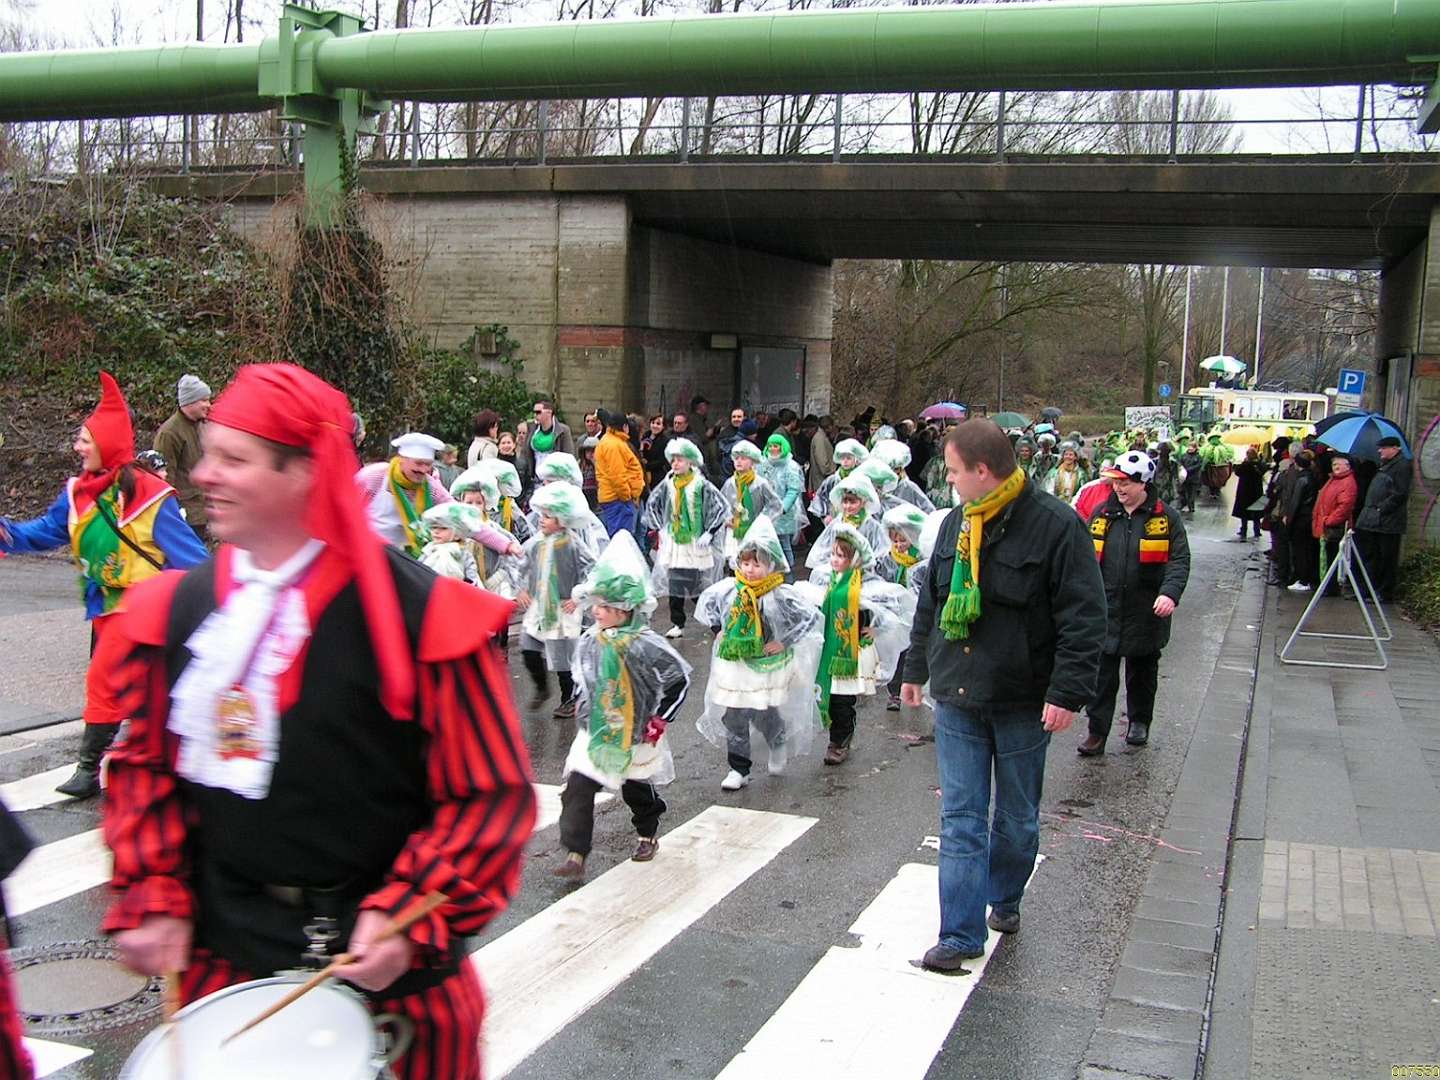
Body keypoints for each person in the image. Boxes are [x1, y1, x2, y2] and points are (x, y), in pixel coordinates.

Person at [98, 363, 536, 1080]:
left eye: (233, 459)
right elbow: (144, 767)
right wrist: (152, 888)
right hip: (227, 971)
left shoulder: (421, 617)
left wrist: (409, 912)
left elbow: (490, 796)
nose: (203, 473)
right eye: (209, 453)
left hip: (395, 991)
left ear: (304, 471)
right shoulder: (180, 609)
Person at [900, 420, 1105, 971]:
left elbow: (1085, 617)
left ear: (982, 471)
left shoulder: (1056, 526)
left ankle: (1006, 894)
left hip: (1023, 700)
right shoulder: (955, 524)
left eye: (953, 471)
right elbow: (931, 602)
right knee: (961, 818)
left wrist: (1067, 693)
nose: (948, 480)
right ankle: (960, 933)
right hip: (959, 696)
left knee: (1016, 820)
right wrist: (915, 668)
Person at [0, 373, 208, 799]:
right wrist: (8, 534)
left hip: (146, 609)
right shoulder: (78, 492)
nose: (77, 447)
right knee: (132, 685)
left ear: (107, 445)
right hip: (105, 606)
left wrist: (183, 603)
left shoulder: (151, 497)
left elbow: (195, 562)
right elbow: (46, 532)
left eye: (84, 440)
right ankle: (145, 759)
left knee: (107, 679)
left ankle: (91, 768)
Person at [555, 532, 692, 881]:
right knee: (578, 786)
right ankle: (575, 852)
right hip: (597, 727)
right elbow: (583, 676)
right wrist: (583, 703)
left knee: (635, 786)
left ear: (625, 609)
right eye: (596, 605)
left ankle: (647, 831)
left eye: (604, 607)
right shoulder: (591, 639)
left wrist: (660, 719)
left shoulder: (646, 644)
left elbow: (678, 680)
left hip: (635, 729)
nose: (596, 612)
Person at [696, 516, 823, 791]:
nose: (750, 570)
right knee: (734, 714)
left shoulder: (779, 595)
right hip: (735, 662)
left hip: (766, 663)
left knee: (762, 710)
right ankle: (738, 768)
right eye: (746, 563)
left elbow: (809, 618)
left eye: (757, 564)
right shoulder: (732, 590)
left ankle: (777, 741)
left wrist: (784, 641)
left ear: (771, 565)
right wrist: (719, 630)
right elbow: (710, 607)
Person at [1077, 450, 1191, 756]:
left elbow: (1179, 560)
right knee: (1101, 675)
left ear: (1143, 484)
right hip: (1106, 608)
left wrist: (1169, 593)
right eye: (1116, 483)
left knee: (1142, 672)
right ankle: (1096, 731)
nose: (1119, 488)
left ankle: (1139, 722)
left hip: (1146, 610)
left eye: (1125, 483)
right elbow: (1084, 559)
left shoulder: (1166, 518)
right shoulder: (1102, 514)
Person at [792, 524, 911, 766]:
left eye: (840, 556)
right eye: (833, 554)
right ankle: (838, 736)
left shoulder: (863, 586)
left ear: (854, 559)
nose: (834, 560)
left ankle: (840, 741)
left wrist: (875, 629)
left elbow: (890, 611)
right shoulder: (829, 581)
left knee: (842, 700)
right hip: (829, 649)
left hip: (850, 653)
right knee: (829, 694)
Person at [517, 482, 598, 719]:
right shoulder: (536, 542)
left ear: (562, 520)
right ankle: (541, 687)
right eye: (541, 515)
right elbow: (521, 565)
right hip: (540, 605)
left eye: (548, 516)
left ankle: (569, 698)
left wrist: (578, 597)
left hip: (564, 607)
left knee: (563, 657)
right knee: (529, 646)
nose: (541, 520)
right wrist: (521, 589)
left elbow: (591, 569)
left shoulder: (573, 543)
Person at [646, 439, 729, 638]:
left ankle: (715, 623)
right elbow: (653, 504)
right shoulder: (669, 483)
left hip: (694, 542)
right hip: (675, 541)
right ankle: (678, 623)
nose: (675, 464)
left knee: (696, 585)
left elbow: (720, 507)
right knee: (675, 584)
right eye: (673, 459)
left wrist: (710, 531)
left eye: (680, 460)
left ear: (690, 461)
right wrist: (661, 528)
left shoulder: (701, 484)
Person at [355, 433, 452, 558]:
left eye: (428, 464)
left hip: (405, 557)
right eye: (418, 463)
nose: (423, 470)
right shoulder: (375, 476)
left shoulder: (430, 486)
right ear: (402, 459)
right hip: (368, 552)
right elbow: (347, 507)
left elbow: (453, 510)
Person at [876, 503, 929, 711]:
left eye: (903, 540)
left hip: (915, 616)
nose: (898, 545)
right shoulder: (888, 559)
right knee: (896, 653)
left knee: (912, 652)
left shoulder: (922, 561)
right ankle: (894, 693)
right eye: (894, 541)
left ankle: (915, 686)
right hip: (895, 615)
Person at [152, 373, 211, 541]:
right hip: (184, 516)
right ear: (190, 402)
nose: (208, 405)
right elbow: (163, 477)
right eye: (204, 400)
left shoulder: (202, 426)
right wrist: (170, 513)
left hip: (200, 511)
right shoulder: (169, 433)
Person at [1354, 436, 1412, 601]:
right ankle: (1371, 589)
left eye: (1383, 448)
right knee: (1374, 556)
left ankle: (1384, 592)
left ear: (1395, 448)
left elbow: (1400, 493)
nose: (1380, 450)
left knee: (1386, 558)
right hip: (1377, 521)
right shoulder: (1385, 465)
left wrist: (1381, 509)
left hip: (1388, 522)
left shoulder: (1401, 466)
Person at [721, 440, 782, 568]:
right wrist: (727, 519)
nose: (738, 461)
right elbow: (721, 505)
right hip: (735, 531)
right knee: (736, 564)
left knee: (754, 563)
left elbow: (776, 505)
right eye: (736, 458)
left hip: (756, 533)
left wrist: (762, 522)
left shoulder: (760, 483)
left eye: (743, 458)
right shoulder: (730, 483)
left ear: (752, 462)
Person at [593, 409, 646, 538]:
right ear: (625, 427)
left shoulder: (612, 441)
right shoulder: (614, 445)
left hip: (617, 498)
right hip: (618, 500)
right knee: (621, 540)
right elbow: (617, 476)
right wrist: (628, 496)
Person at [759, 432, 807, 570]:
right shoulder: (763, 464)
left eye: (776, 446)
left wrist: (783, 508)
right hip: (765, 510)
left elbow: (793, 489)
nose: (773, 449)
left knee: (784, 543)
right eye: (770, 446)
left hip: (784, 513)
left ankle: (788, 572)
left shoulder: (791, 466)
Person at [1312, 453, 1358, 596]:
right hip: (1326, 524)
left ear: (1347, 466)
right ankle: (1326, 585)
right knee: (1326, 556)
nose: (1335, 466)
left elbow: (1344, 506)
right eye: (1334, 464)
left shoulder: (1347, 482)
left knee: (1332, 557)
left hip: (1335, 527)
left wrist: (1328, 521)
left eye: (1339, 464)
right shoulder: (1334, 479)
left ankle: (1330, 588)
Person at [418, 502, 485, 584]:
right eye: (433, 527)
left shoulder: (462, 553)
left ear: (457, 534)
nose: (436, 531)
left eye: (443, 528)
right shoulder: (428, 551)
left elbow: (472, 579)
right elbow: (418, 570)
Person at [1283, 450, 1320, 592]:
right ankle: (1307, 578)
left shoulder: (1302, 480)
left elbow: (1295, 502)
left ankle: (1303, 579)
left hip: (1301, 518)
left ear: (1297, 464)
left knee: (1300, 550)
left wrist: (1289, 519)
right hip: (1309, 517)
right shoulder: (1313, 476)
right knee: (1308, 549)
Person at [808, 437, 867, 522]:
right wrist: (825, 516)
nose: (845, 461)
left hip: (858, 520)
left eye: (849, 458)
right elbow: (821, 497)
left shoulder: (862, 479)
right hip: (836, 520)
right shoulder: (833, 480)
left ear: (856, 459)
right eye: (843, 458)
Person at [1262, 437, 1296, 586]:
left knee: (1282, 544)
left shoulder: (1286, 473)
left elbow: (1278, 493)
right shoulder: (1291, 471)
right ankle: (1282, 570)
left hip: (1282, 511)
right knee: (1282, 543)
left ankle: (1283, 574)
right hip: (1282, 511)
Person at [871, 438, 937, 512]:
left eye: (894, 469)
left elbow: (930, 512)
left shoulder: (909, 488)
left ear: (899, 469)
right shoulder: (873, 488)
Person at [529, 398, 575, 479]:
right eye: (534, 412)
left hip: (555, 478)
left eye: (538, 412)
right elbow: (525, 453)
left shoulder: (563, 430)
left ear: (549, 412)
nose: (535, 415)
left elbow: (569, 456)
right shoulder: (532, 429)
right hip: (534, 478)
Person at [1231, 447, 1267, 540]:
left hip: (1244, 492)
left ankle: (1243, 532)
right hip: (1256, 492)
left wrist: (1244, 462)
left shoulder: (1245, 465)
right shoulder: (1260, 464)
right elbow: (1263, 471)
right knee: (1256, 513)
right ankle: (1257, 532)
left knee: (1244, 514)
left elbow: (1237, 472)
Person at [641, 413, 670, 490]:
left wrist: (646, 466)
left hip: (657, 476)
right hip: (643, 474)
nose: (654, 426)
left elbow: (661, 461)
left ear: (663, 426)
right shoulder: (645, 436)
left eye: (658, 424)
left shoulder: (665, 441)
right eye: (653, 423)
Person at [716, 408, 747, 479]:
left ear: (744, 418)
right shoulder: (724, 435)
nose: (736, 419)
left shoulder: (749, 432)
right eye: (734, 417)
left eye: (739, 417)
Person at [1177, 439, 1203, 514]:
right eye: (1190, 446)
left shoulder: (1198, 457)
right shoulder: (1184, 456)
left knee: (1191, 494)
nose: (1190, 448)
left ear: (1195, 448)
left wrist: (1187, 470)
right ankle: (1182, 505)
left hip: (1193, 479)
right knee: (1182, 492)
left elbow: (1198, 466)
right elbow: (1180, 462)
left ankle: (1191, 507)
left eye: (1192, 447)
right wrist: (1181, 468)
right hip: (1184, 478)